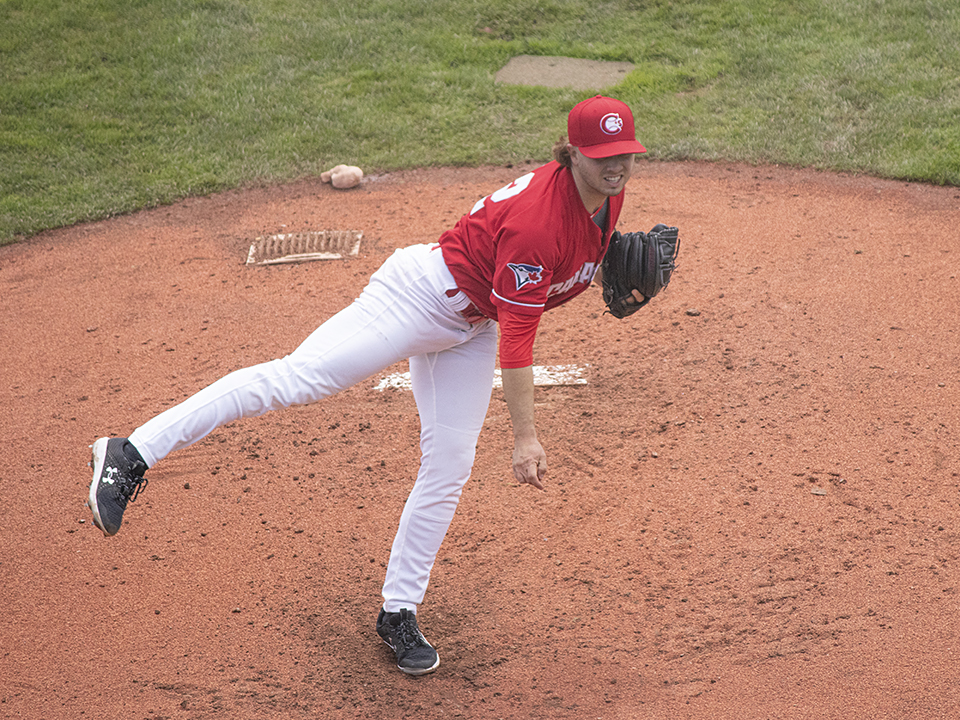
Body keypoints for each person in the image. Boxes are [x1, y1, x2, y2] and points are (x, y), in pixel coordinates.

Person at [87, 95, 646, 675]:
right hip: (418, 297)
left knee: (449, 463)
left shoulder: (606, 195)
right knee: (299, 378)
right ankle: (132, 452)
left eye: (625, 154)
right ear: (571, 152)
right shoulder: (538, 221)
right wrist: (525, 437)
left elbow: (566, 263)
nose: (616, 166)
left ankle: (398, 611)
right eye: (603, 155)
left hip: (471, 325)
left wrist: (608, 270)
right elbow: (519, 339)